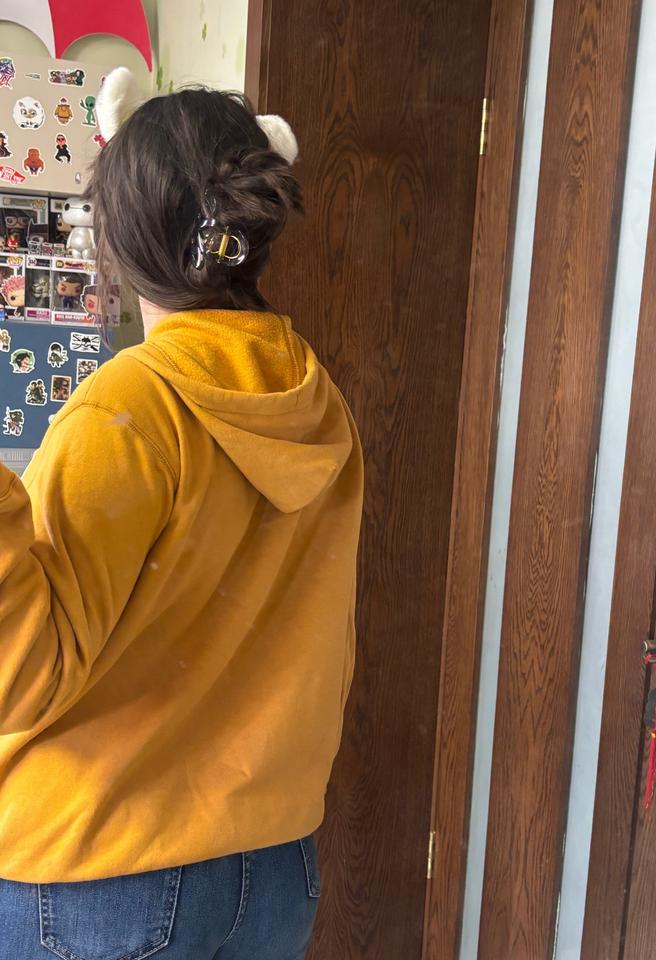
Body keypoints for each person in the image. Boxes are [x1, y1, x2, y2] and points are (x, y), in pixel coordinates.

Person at [0, 67, 364, 960]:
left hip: (98, 864)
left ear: (116, 240)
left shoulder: (129, 407)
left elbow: (16, 677)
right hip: (272, 866)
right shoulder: (319, 402)